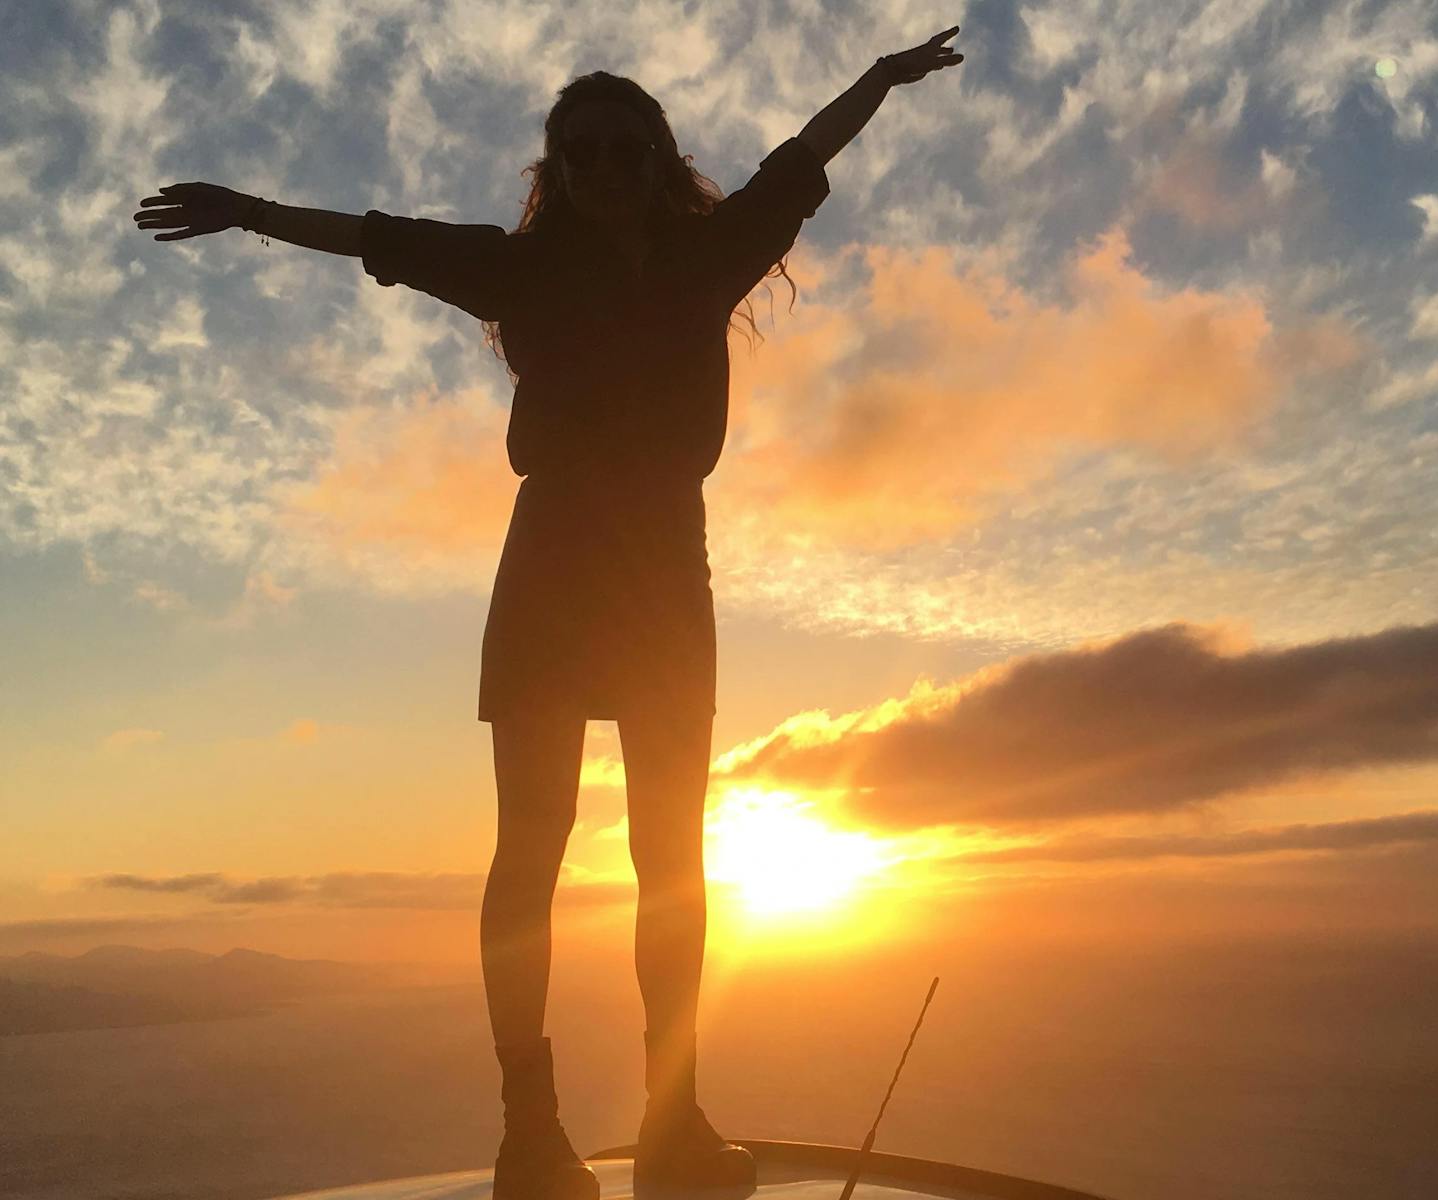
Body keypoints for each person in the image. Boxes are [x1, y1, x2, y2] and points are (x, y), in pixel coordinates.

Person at [134, 27, 963, 1200]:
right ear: (558, 171)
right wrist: (245, 210)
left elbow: (798, 158)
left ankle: (672, 1125)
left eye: (627, 148)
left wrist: (881, 79)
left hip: (667, 579)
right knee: (532, 852)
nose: (607, 168)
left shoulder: (709, 252)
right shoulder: (517, 269)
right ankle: (533, 1130)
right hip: (556, 571)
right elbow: (371, 237)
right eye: (582, 153)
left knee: (673, 861)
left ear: (656, 154)